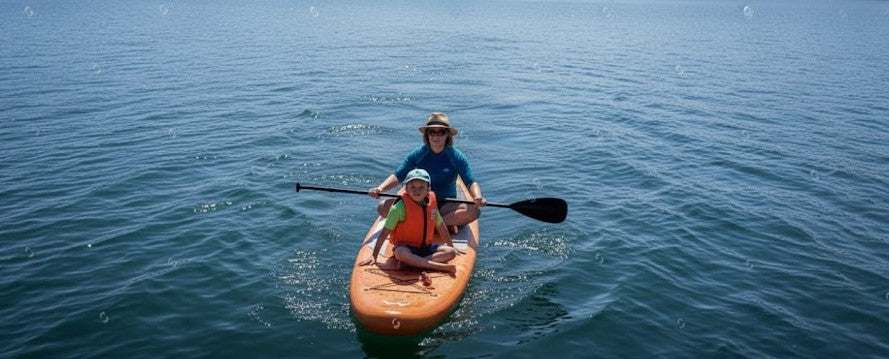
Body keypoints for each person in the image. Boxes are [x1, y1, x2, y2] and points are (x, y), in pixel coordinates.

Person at [368, 112, 486, 232]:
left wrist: (478, 197)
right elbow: (399, 175)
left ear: (447, 135)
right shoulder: (418, 153)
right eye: (432, 132)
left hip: (445, 204)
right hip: (418, 202)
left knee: (473, 211)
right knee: (383, 207)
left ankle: (428, 224)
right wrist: (380, 189)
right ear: (427, 135)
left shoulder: (456, 156)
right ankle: (438, 225)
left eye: (441, 132)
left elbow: (470, 181)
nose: (436, 136)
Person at [359, 169, 458, 273]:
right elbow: (385, 232)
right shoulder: (399, 207)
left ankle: (413, 264)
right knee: (400, 253)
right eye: (413, 187)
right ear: (406, 188)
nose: (417, 190)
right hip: (405, 248)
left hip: (425, 248)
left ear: (428, 190)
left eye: (421, 187)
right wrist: (374, 255)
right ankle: (437, 266)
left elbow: (441, 225)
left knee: (451, 252)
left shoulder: (431, 204)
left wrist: (451, 246)